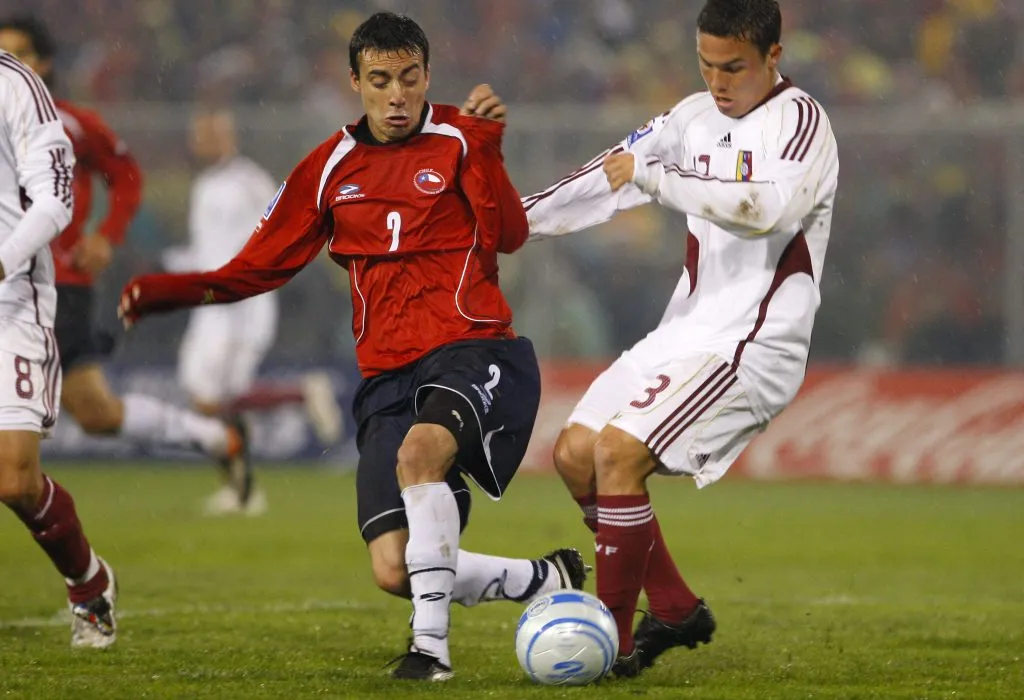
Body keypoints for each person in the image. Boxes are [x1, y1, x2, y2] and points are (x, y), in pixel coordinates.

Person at [117, 12, 586, 681]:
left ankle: (430, 653)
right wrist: (168, 292)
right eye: (380, 80)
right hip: (386, 377)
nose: (397, 94)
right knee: (396, 567)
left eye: (409, 78)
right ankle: (544, 578)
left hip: (473, 349)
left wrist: (489, 150)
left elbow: (508, 236)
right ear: (354, 83)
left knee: (419, 453)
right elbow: (259, 266)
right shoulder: (331, 166)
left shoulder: (460, 138)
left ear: (427, 76)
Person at [524, 0, 839, 677]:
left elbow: (764, 210)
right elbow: (606, 177)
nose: (719, 81)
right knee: (576, 454)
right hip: (687, 330)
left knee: (617, 452)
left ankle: (608, 644)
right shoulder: (689, 119)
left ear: (773, 58)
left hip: (753, 342)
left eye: (735, 67)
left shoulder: (801, 123)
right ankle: (670, 606)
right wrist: (509, 229)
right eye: (706, 64)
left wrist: (656, 177)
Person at [0, 16, 256, 514]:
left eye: (17, 55)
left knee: (68, 425)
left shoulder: (69, 123)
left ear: (44, 64)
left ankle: (84, 571)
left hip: (53, 284)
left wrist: (106, 235)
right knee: (96, 413)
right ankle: (216, 437)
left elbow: (126, 174)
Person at [163, 106, 344, 515]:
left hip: (241, 304)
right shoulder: (205, 185)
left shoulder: (248, 180)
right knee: (204, 397)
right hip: (209, 304)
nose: (199, 140)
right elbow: (206, 250)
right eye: (197, 133)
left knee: (214, 398)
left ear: (226, 136)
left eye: (207, 131)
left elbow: (290, 217)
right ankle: (243, 484)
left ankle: (244, 486)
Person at [0, 47, 117, 648]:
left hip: (12, 300)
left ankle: (88, 580)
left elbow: (55, 199)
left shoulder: (16, 83)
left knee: (16, 481)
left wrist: (3, 260)